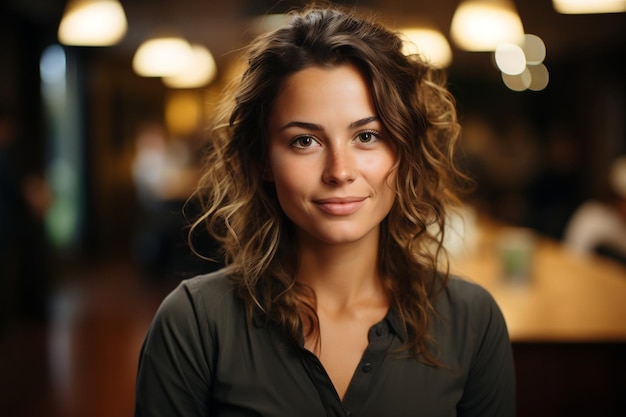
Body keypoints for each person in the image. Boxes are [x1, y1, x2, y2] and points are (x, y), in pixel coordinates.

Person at [134, 5, 515, 416]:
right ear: (261, 158)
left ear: (404, 151)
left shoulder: (473, 321)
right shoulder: (193, 323)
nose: (339, 171)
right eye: (304, 141)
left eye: (367, 136)